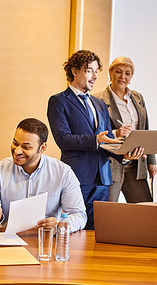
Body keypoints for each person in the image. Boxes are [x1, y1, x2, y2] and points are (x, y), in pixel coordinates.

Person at [47, 50, 144, 230]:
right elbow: (63, 139)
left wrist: (124, 156)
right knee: (72, 230)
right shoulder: (58, 101)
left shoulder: (99, 104)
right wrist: (95, 140)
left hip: (103, 179)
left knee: (97, 232)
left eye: (96, 71)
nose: (95, 76)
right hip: (77, 177)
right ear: (74, 71)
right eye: (89, 70)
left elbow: (106, 142)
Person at [0, 118, 87, 232]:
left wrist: (59, 225)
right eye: (15, 143)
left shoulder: (63, 172)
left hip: (48, 241)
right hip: (9, 240)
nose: (17, 151)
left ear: (42, 148)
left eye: (26, 147)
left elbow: (79, 215)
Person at [93, 56, 157, 203]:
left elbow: (145, 129)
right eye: (118, 71)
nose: (123, 76)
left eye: (127, 73)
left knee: (145, 210)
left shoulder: (138, 97)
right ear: (110, 74)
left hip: (137, 162)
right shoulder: (97, 99)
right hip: (111, 163)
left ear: (131, 76)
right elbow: (94, 132)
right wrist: (115, 133)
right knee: (108, 211)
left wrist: (151, 162)